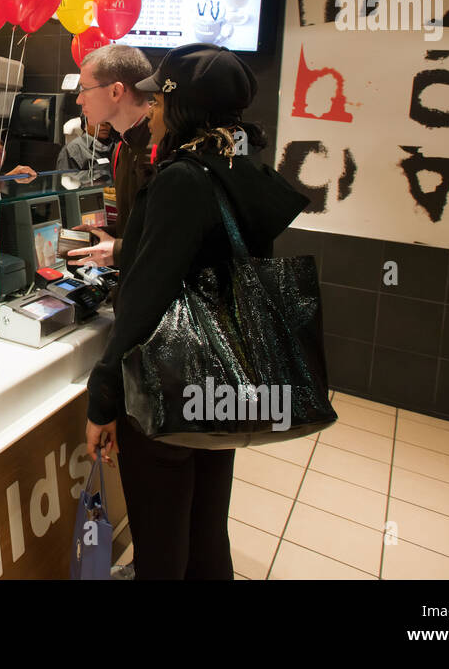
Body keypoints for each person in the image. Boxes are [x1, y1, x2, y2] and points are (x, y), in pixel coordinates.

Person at [84, 43, 308, 580]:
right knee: (207, 533)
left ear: (181, 108)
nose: (152, 112)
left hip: (170, 386)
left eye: (160, 102)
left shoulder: (182, 179)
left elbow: (145, 298)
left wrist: (103, 395)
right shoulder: (241, 168)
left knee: (161, 546)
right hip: (223, 381)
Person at [64, 44, 155, 269]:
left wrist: (117, 250)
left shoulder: (162, 146)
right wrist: (102, 235)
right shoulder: (122, 147)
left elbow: (171, 242)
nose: (79, 100)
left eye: (84, 89)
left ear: (115, 91)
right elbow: (136, 228)